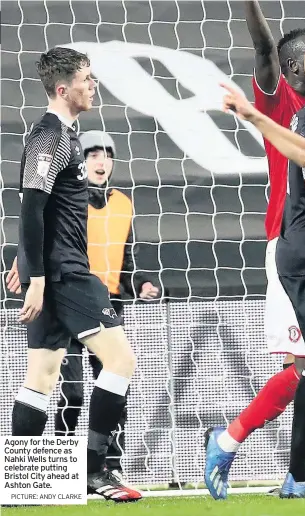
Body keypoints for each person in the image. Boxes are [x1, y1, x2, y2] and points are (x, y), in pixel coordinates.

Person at [7, 47, 141, 503]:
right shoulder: (48, 137)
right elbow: (30, 206)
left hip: (50, 269)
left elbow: (43, 210)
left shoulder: (67, 133)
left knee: (41, 376)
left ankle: (16, 487)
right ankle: (93, 471)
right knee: (121, 361)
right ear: (63, 89)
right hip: (64, 273)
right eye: (87, 78)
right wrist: (38, 276)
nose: (94, 83)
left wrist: (24, 262)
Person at [205, 1, 305, 500]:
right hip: (290, 244)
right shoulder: (279, 98)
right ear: (293, 70)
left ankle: (296, 474)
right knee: (302, 368)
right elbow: (265, 47)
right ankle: (228, 441)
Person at [55, 129, 158, 487]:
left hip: (108, 308)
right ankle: (64, 468)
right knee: (72, 393)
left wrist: (140, 283)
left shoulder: (124, 204)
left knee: (115, 389)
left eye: (106, 155)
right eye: (93, 154)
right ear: (80, 163)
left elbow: (126, 262)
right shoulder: (68, 202)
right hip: (68, 305)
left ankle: (108, 465)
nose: (101, 161)